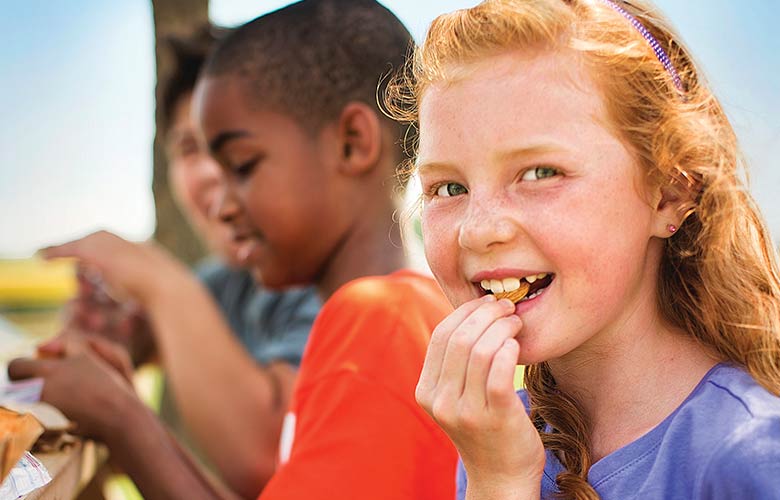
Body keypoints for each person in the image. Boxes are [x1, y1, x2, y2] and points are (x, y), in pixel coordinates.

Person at [10, 1, 458, 499]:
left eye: (242, 166)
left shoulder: (377, 319)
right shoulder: (406, 312)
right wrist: (125, 411)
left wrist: (121, 418)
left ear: (352, 143)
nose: (221, 205)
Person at [384, 0, 780, 499]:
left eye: (541, 173)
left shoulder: (752, 451)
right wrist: (496, 480)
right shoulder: (497, 440)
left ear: (670, 193)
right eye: (447, 187)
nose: (478, 231)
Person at [30, 24, 320, 499]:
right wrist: (104, 330)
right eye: (189, 147)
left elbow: (267, 457)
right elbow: (133, 340)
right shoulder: (223, 281)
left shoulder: (326, 284)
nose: (211, 172)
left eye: (233, 148)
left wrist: (157, 281)